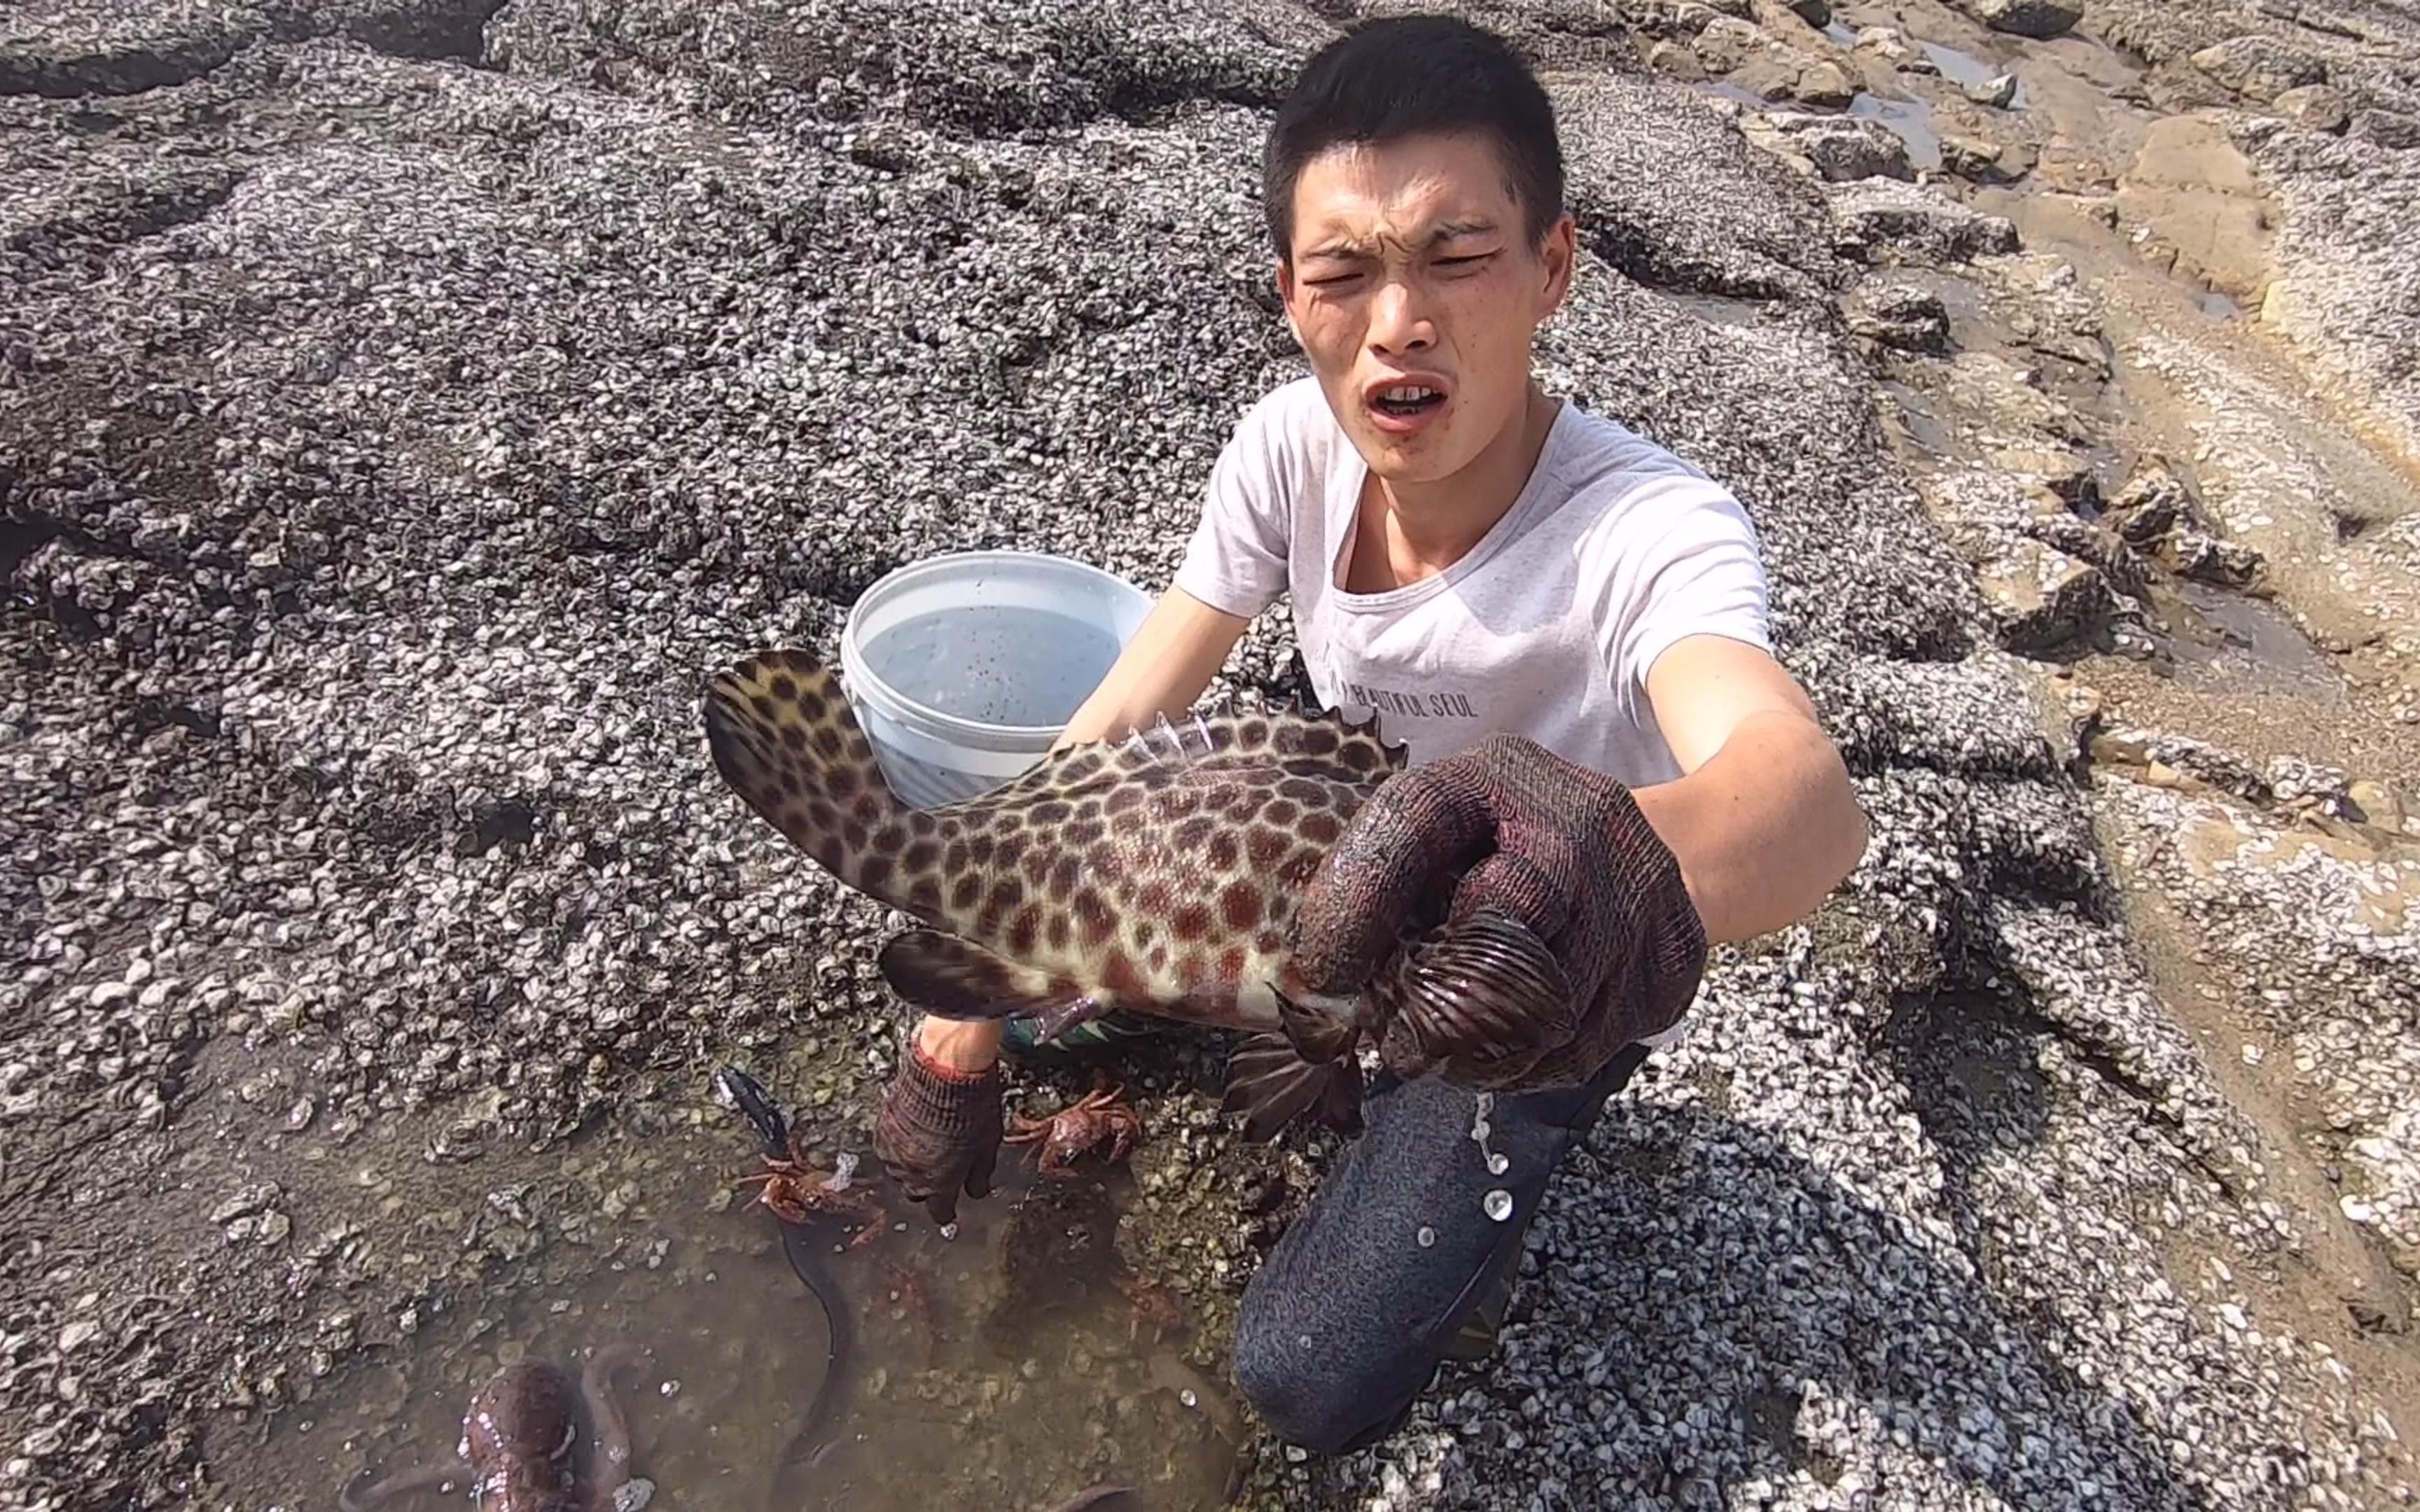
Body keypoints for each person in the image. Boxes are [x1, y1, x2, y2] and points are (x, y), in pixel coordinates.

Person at [870, 13, 1869, 1457]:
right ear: (1291, 295)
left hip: (1534, 979)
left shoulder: (1649, 530)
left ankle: (1501, 1179)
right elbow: (1138, 707)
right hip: (1348, 888)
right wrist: (960, 1011)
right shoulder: (1288, 447)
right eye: (1346, 273)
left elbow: (1802, 802)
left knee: (1305, 1376)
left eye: (1457, 257)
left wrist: (1581, 867)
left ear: (1554, 269)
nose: (1399, 321)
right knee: (1019, 973)